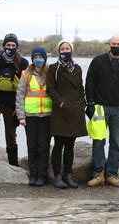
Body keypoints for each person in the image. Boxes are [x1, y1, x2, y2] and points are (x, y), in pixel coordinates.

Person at [85, 35, 119, 187]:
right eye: (113, 44)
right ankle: (98, 173)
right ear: (109, 44)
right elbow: (89, 82)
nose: (116, 46)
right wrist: (90, 103)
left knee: (116, 142)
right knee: (98, 141)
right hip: (99, 107)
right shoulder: (98, 61)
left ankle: (112, 174)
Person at [46, 40, 88, 189]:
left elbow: (81, 88)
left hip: (75, 111)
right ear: (59, 51)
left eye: (67, 48)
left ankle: (68, 175)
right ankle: (57, 176)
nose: (65, 51)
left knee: (70, 145)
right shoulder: (53, 68)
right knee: (58, 145)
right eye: (62, 49)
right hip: (60, 111)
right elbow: (50, 89)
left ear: (71, 50)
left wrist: (82, 104)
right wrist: (61, 103)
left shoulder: (77, 68)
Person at [0, 33, 29, 166]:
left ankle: (13, 162)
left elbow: (26, 85)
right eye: (8, 45)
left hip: (12, 101)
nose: (10, 47)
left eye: (13, 45)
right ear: (3, 46)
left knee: (11, 132)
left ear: (17, 47)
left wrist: (20, 106)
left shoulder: (23, 63)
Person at [15, 47, 51, 187]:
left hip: (47, 115)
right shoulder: (26, 74)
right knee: (32, 146)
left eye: (41, 57)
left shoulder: (50, 73)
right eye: (35, 57)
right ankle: (33, 174)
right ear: (32, 59)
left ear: (45, 59)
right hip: (30, 116)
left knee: (43, 146)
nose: (38, 59)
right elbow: (19, 96)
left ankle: (42, 176)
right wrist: (21, 116)